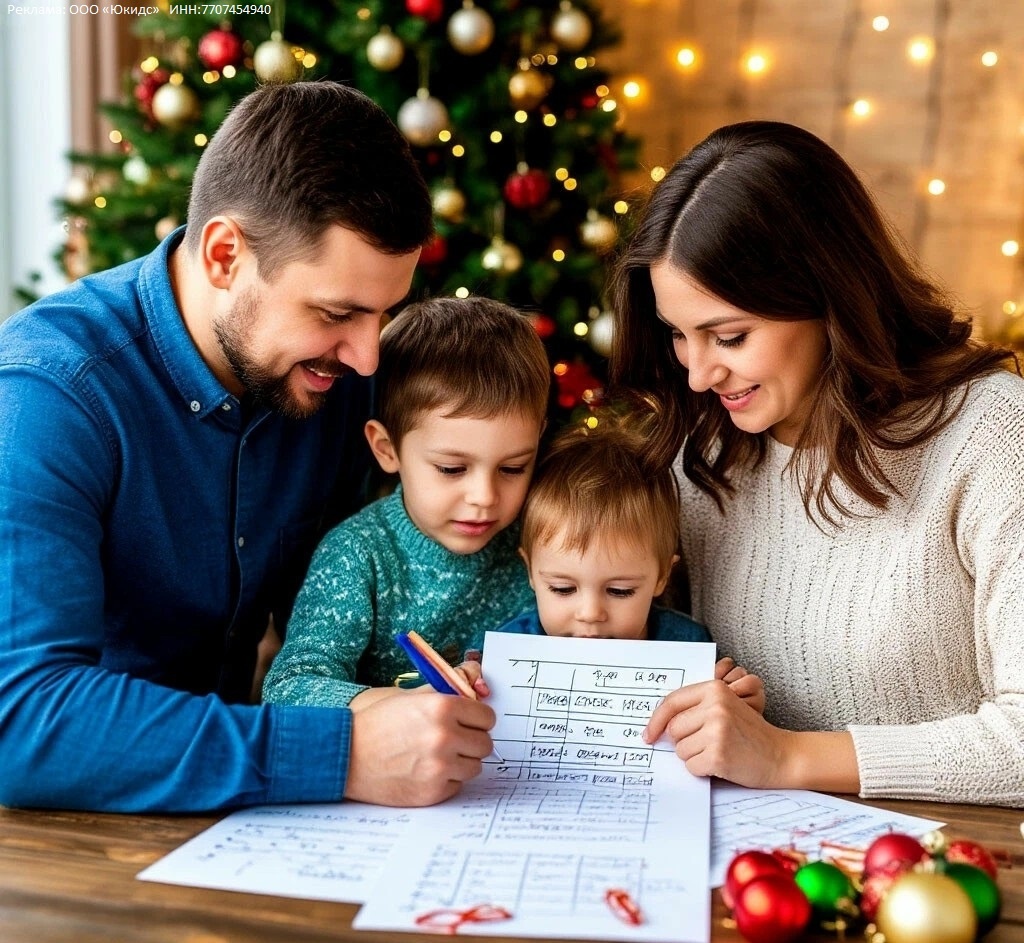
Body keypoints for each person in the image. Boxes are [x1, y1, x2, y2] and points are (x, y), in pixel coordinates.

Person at [0, 81, 497, 813]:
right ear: (225, 253)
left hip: (249, 825)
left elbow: (360, 597)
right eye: (337, 312)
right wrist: (342, 753)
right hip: (66, 843)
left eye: (383, 314)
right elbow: (23, 721)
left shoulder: (329, 379)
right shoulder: (50, 395)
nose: (366, 357)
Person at [610, 119, 1024, 807]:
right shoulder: (704, 456)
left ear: (827, 298)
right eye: (679, 336)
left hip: (959, 867)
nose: (698, 373)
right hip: (758, 867)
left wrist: (786, 754)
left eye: (730, 335)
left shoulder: (991, 433)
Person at [262, 296, 549, 709]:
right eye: (451, 469)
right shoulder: (360, 554)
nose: (485, 498)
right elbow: (290, 687)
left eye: (513, 468)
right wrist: (400, 707)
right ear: (387, 448)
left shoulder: (537, 539)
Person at [485, 410, 764, 712]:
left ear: (661, 577)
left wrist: (738, 711)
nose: (590, 614)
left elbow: (717, 733)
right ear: (531, 572)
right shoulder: (507, 649)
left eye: (620, 591)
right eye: (562, 588)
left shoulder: (688, 646)